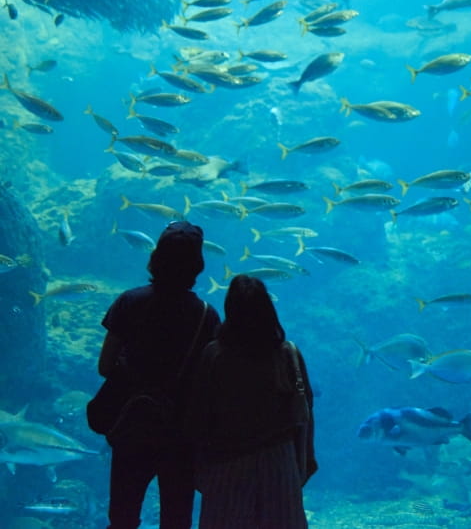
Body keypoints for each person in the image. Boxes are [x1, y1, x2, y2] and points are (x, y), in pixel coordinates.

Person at [97, 221, 221, 529]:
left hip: (132, 423)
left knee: (123, 516)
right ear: (197, 265)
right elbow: (210, 381)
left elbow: (104, 365)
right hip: (181, 432)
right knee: (177, 518)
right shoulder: (207, 315)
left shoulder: (130, 302)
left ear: (155, 258)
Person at [188, 273, 317, 529]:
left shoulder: (214, 355)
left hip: (226, 463)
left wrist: (197, 465)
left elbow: (197, 413)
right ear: (267, 309)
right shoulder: (288, 354)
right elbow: (305, 411)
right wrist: (305, 459)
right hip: (279, 462)